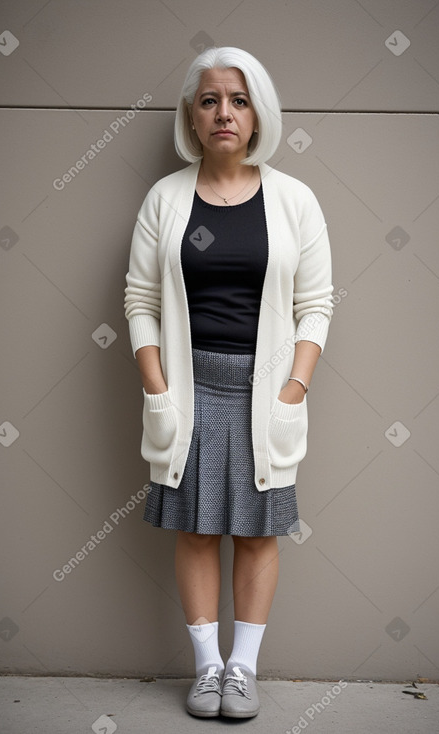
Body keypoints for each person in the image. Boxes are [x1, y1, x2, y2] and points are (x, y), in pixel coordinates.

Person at [124, 46, 333, 719]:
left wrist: (291, 388)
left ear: (257, 114)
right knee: (193, 529)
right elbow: (139, 301)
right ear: (192, 112)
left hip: (263, 390)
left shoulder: (293, 199)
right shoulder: (166, 197)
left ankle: (242, 670)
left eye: (238, 100)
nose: (223, 113)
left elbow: (316, 305)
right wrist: (156, 386)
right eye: (211, 99)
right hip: (188, 389)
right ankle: (206, 668)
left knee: (255, 532)